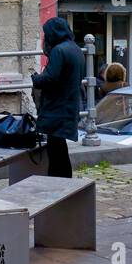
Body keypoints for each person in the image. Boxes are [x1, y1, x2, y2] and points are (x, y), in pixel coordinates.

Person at [31, 17, 84, 178]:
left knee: (56, 151)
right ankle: (63, 181)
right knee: (60, 148)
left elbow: (50, 78)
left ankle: (58, 183)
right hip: (68, 105)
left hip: (57, 107)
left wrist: (35, 78)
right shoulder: (75, 49)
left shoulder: (59, 51)